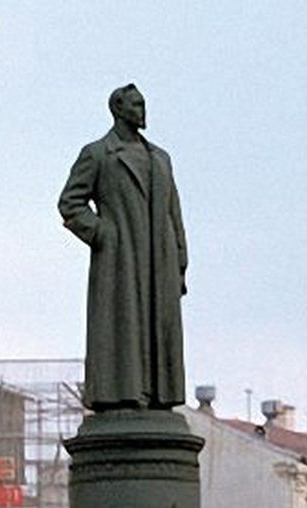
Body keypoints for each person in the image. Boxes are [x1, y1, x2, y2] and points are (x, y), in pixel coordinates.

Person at [58, 84, 188, 411]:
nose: (142, 111)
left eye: (144, 105)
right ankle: (124, 395)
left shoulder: (160, 158)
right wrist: (103, 233)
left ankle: (160, 396)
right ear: (118, 109)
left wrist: (180, 260)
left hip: (160, 259)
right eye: (136, 105)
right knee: (123, 326)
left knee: (161, 328)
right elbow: (70, 203)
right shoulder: (99, 153)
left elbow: (175, 213)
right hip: (121, 259)